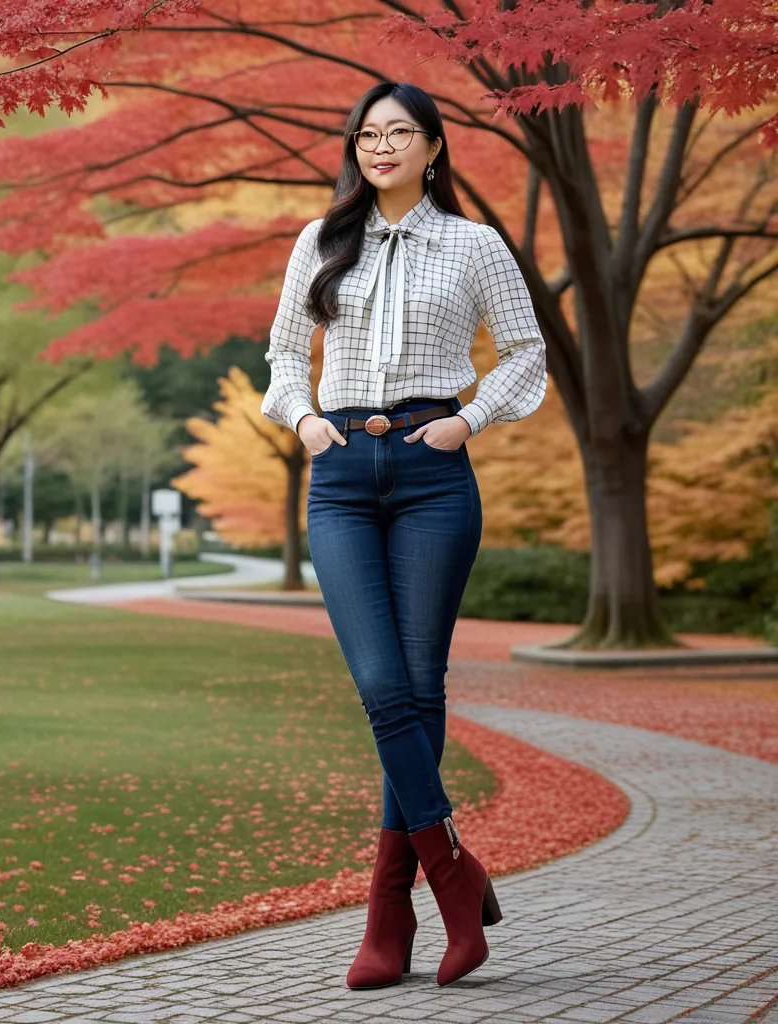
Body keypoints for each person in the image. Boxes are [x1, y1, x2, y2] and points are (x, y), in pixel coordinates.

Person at [260, 81, 547, 991]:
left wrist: (470, 420)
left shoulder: (474, 243)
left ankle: (388, 919)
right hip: (340, 475)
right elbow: (279, 356)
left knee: (419, 692)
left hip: (432, 471)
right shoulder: (321, 240)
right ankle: (455, 884)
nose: (379, 147)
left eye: (400, 133)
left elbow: (527, 349)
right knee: (386, 687)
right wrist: (304, 422)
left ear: (434, 148)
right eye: (367, 134)